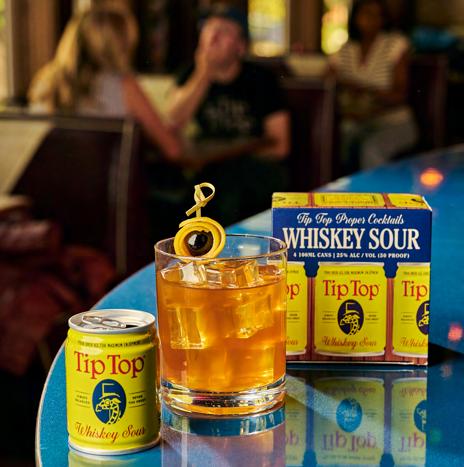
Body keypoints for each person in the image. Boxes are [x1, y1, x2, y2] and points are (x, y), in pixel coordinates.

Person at [167, 3, 290, 225]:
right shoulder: (190, 75)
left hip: (255, 170)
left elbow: (280, 146)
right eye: (209, 29)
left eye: (224, 31)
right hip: (208, 170)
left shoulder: (261, 80)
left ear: (241, 47)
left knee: (226, 190)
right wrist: (204, 74)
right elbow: (173, 123)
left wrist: (232, 156)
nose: (213, 37)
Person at [28, 7, 181, 161]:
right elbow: (172, 149)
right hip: (105, 176)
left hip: (49, 175)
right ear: (119, 44)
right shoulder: (124, 85)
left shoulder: (46, 83)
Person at [328, 0, 418, 172]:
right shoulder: (345, 50)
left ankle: (377, 190)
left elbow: (400, 94)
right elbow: (327, 84)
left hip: (394, 121)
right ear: (356, 17)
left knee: (371, 149)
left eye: (378, 15)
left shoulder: (396, 44)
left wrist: (364, 92)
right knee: (339, 142)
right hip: (355, 123)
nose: (372, 20)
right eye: (367, 14)